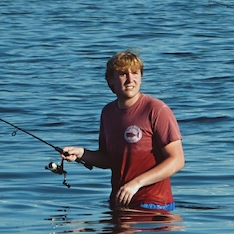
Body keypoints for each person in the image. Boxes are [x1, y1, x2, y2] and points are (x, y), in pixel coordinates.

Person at [62, 50, 184, 213]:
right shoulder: (108, 112)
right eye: (123, 74)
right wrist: (81, 153)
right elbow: (108, 160)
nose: (130, 79)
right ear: (110, 80)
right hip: (120, 204)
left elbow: (177, 160)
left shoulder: (156, 109)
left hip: (154, 206)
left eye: (135, 73)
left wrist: (136, 183)